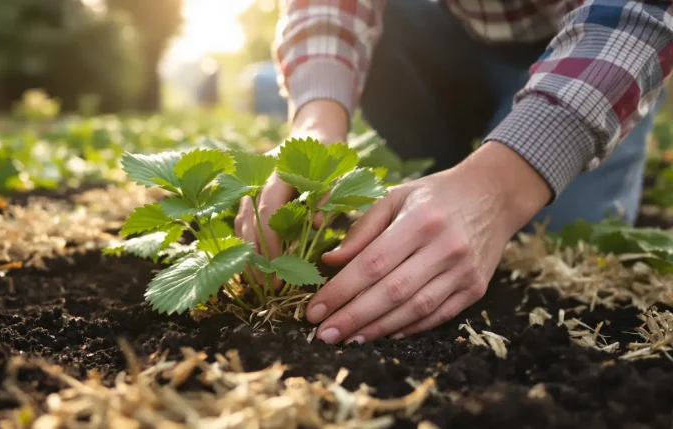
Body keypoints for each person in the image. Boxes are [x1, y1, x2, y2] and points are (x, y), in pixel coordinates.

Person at [235, 0, 673, 345]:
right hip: (452, 35)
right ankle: (446, 182)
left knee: (558, 231)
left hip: (590, 47)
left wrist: (497, 189)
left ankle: (472, 179)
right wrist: (316, 129)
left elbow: (645, 9)